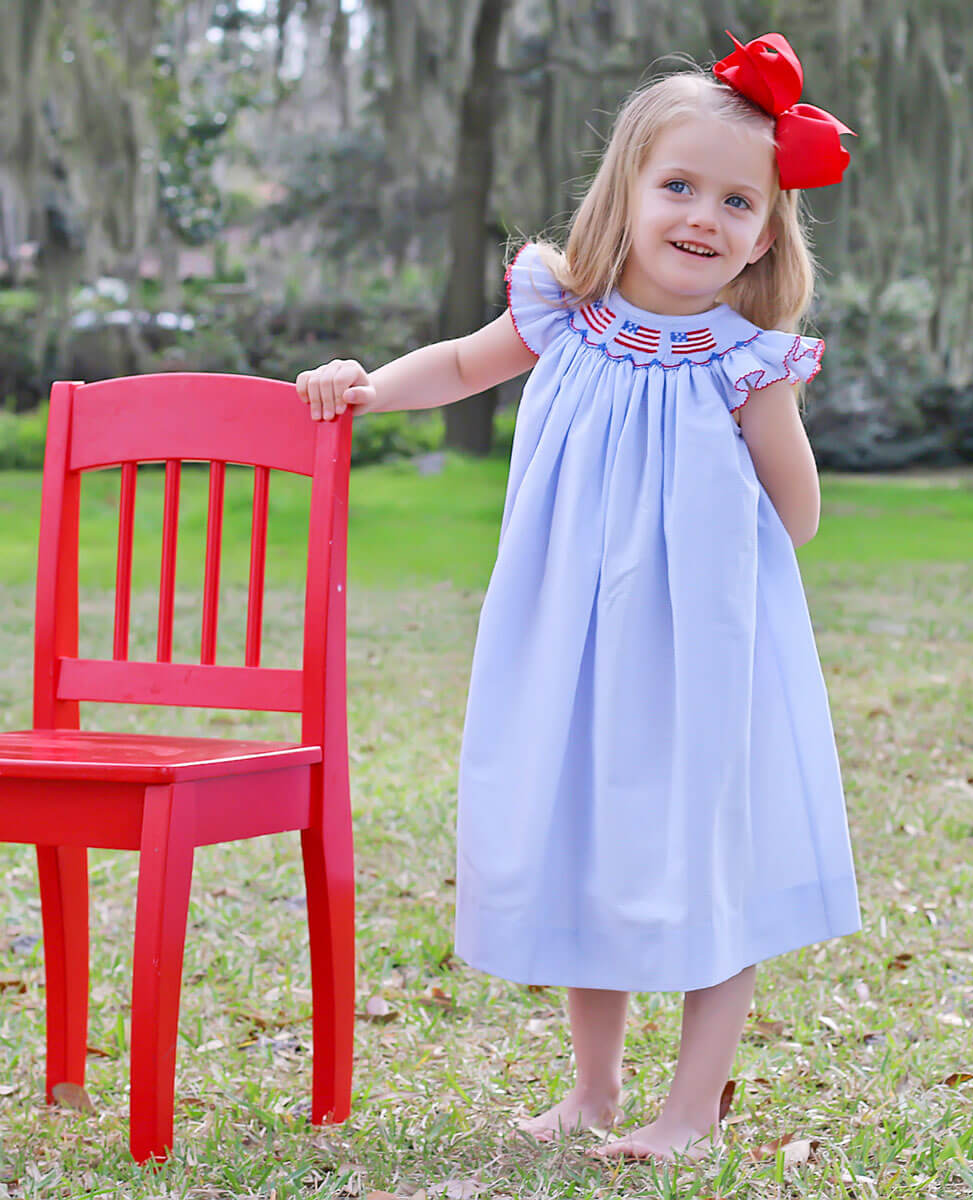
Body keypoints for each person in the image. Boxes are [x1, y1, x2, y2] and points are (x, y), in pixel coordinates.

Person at [297, 31, 861, 1164]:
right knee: (589, 830)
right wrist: (367, 388)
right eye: (680, 186)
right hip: (573, 628)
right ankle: (593, 1091)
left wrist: (773, 419)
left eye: (738, 201)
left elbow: (796, 522)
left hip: (703, 642)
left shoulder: (745, 358)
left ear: (766, 232)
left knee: (708, 843)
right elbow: (462, 365)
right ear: (630, 192)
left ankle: (692, 1111)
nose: (704, 215)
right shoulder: (565, 310)